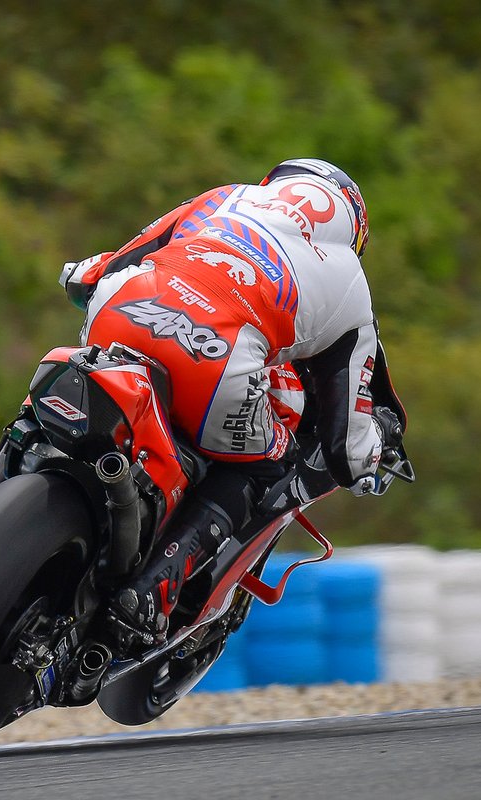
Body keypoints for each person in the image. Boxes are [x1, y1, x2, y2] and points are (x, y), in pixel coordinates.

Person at [57, 158, 407, 643]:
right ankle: (153, 588)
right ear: (353, 233)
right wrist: (373, 455)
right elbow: (346, 447)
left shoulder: (226, 196)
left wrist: (84, 279)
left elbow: (99, 272)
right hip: (216, 358)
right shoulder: (349, 280)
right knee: (267, 467)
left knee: (60, 390)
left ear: (276, 185)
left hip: (123, 310)